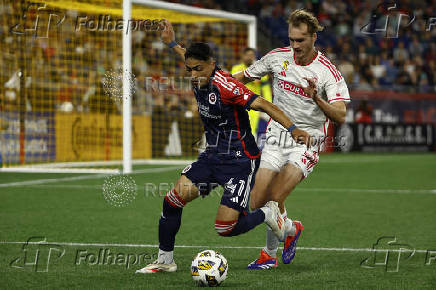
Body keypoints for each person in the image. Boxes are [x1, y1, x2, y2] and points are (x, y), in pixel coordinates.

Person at [136, 20, 311, 274]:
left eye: (198, 69)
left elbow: (264, 104)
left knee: (225, 228)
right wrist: (172, 43)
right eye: (189, 70)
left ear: (211, 64)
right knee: (172, 200)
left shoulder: (227, 85)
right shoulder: (197, 72)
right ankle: (165, 261)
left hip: (239, 162)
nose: (193, 75)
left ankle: (267, 214)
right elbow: (188, 57)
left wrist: (293, 129)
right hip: (212, 156)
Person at [232, 9, 351, 269]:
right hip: (277, 134)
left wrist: (316, 98)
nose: (294, 46)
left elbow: (341, 114)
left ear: (313, 38)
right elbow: (247, 75)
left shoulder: (327, 72)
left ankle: (268, 255)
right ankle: (291, 229)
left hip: (307, 140)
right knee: (257, 202)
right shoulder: (277, 57)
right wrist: (217, 82)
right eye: (291, 40)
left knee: (274, 198)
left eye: (300, 41)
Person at [231, 48, 273, 140]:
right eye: (248, 55)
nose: (250, 57)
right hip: (239, 104)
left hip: (253, 104)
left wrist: (269, 105)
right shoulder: (236, 69)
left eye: (252, 55)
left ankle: (249, 151)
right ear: (243, 56)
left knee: (252, 129)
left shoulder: (260, 71)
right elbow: (232, 86)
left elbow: (266, 89)